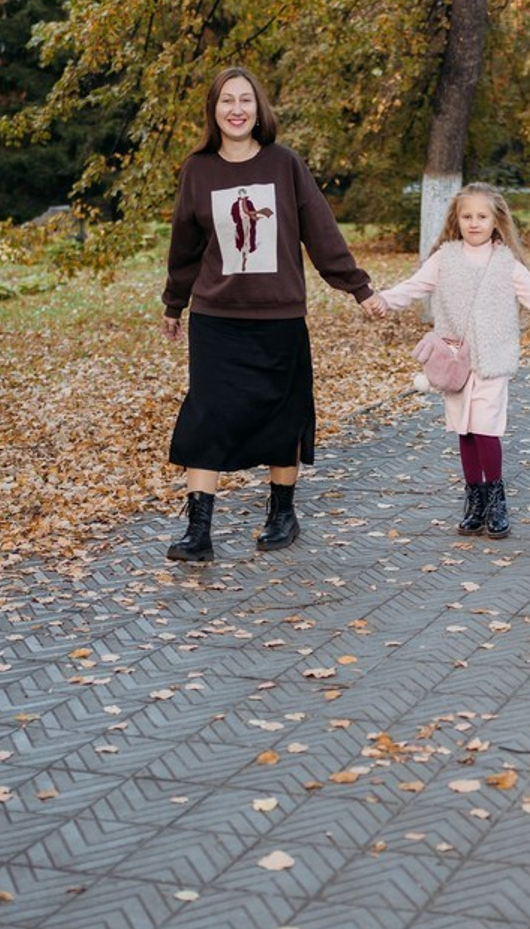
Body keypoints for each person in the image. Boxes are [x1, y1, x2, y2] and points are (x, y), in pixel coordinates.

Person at [161, 66, 380, 562]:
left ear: (259, 110)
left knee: (285, 417)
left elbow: (320, 231)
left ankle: (283, 512)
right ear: (213, 111)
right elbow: (185, 247)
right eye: (226, 101)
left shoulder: (284, 164)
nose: (236, 109)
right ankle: (199, 530)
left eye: (245, 100)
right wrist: (174, 302)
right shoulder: (198, 170)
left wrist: (358, 288)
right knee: (207, 415)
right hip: (217, 319)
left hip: (279, 318)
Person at [367, 183, 530, 539]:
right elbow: (413, 287)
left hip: (493, 359)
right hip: (455, 361)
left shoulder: (507, 264)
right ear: (457, 220)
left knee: (487, 428)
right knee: (465, 430)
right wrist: (382, 300)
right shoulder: (445, 258)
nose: (474, 222)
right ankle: (474, 499)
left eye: (482, 216)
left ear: (495, 220)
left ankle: (496, 499)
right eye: (467, 216)